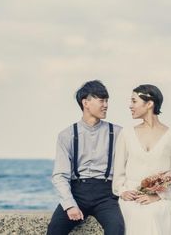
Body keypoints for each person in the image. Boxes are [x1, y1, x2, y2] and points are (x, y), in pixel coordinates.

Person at [47, 80, 125, 235]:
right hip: (77, 194)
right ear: (86, 103)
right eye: (101, 100)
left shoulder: (118, 133)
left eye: (107, 101)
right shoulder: (67, 135)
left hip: (106, 196)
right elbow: (60, 175)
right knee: (54, 230)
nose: (106, 105)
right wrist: (70, 205)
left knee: (117, 229)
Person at [112, 84, 171, 235]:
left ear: (149, 103)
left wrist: (156, 196)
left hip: (162, 197)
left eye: (134, 101)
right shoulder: (126, 134)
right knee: (140, 213)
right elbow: (118, 172)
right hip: (131, 196)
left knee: (152, 214)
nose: (130, 106)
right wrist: (123, 191)